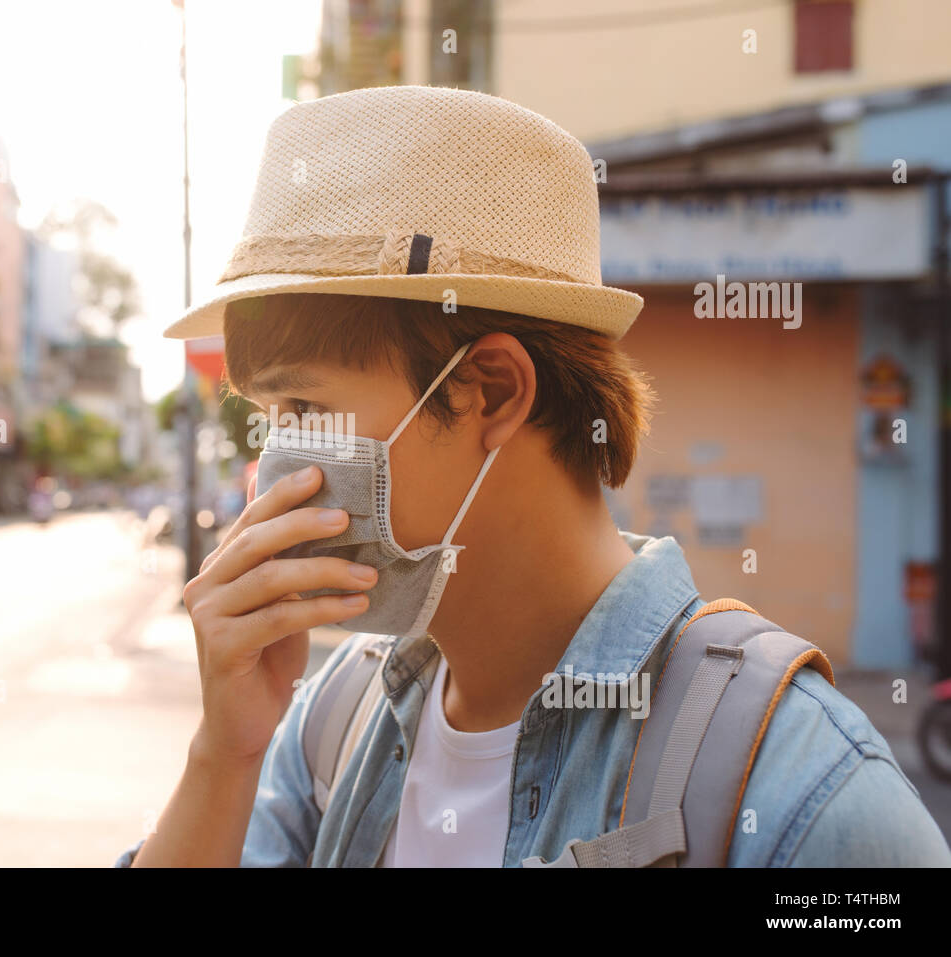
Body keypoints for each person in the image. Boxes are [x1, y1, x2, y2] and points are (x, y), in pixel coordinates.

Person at [115, 86, 951, 868]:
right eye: (270, 417)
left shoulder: (806, 799)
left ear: (493, 391)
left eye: (305, 407)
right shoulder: (332, 720)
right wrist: (222, 755)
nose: (271, 473)